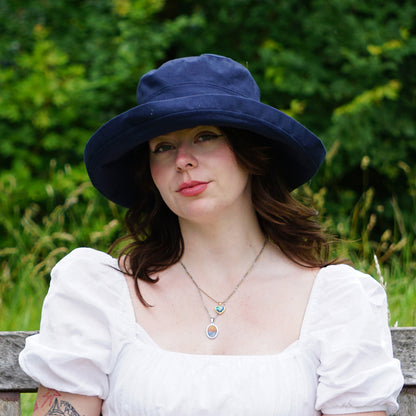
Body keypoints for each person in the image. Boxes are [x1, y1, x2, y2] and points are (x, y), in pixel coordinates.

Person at [19, 54, 403, 416]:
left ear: (251, 153)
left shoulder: (336, 302)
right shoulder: (99, 292)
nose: (182, 160)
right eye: (163, 146)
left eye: (205, 136)